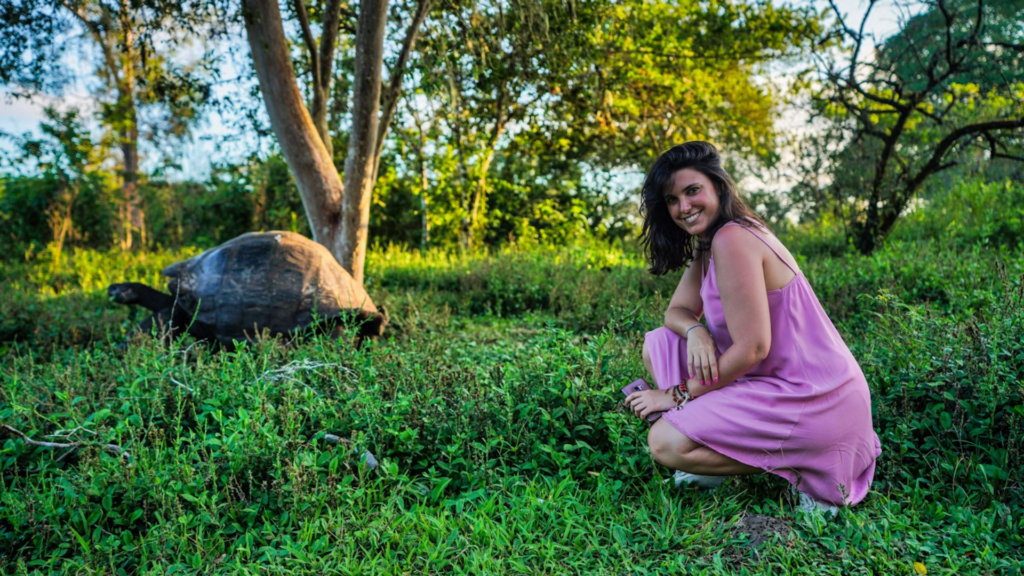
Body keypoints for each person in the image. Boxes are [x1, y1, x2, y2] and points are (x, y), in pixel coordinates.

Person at [623, 141, 881, 511]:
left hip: (813, 397)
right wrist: (696, 331)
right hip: (768, 384)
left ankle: (799, 464)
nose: (683, 207)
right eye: (671, 199)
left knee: (665, 443)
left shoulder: (734, 238)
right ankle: (719, 453)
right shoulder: (710, 242)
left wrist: (675, 395)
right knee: (660, 344)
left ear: (719, 187)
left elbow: (753, 348)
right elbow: (677, 311)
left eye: (692, 191)